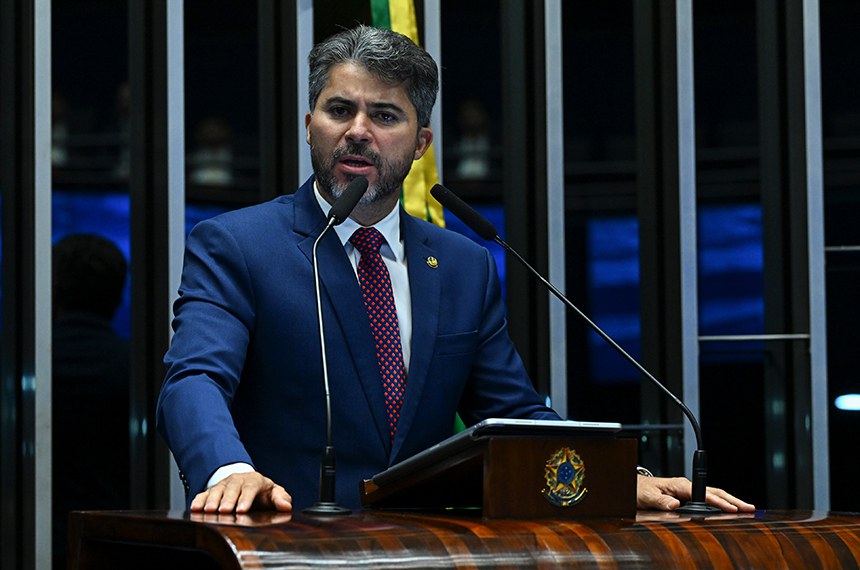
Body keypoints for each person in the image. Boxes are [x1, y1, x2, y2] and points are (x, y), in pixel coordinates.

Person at [157, 25, 754, 516]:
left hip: (428, 549)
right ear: (310, 124)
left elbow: (516, 417)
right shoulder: (236, 243)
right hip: (286, 544)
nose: (358, 130)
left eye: (385, 115)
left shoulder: (465, 264)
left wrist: (620, 476)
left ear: (421, 144)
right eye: (339, 110)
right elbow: (194, 380)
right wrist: (228, 468)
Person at [52, 234, 130, 569]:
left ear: (53, 288)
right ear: (117, 297)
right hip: (113, 541)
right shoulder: (136, 369)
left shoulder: (19, 365)